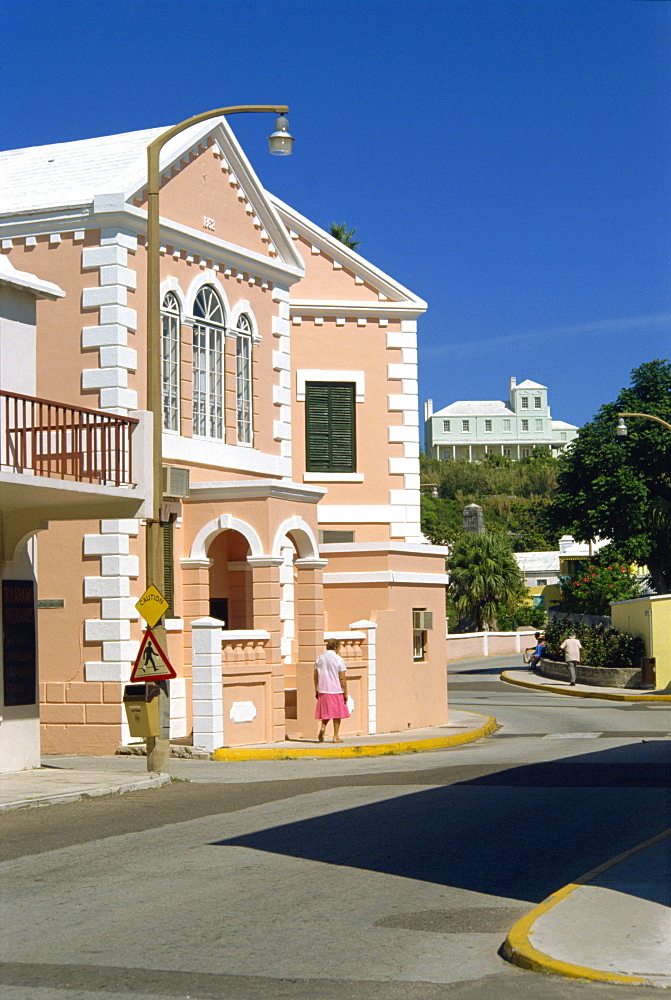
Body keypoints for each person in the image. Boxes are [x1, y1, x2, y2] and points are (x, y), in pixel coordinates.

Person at [314, 639, 350, 743]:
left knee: (326, 711)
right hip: (335, 689)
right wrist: (345, 692)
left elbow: (315, 674)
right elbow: (342, 678)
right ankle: (335, 736)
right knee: (337, 714)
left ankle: (323, 727)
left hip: (323, 689)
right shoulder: (339, 659)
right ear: (335, 647)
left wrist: (316, 688)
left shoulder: (320, 658)